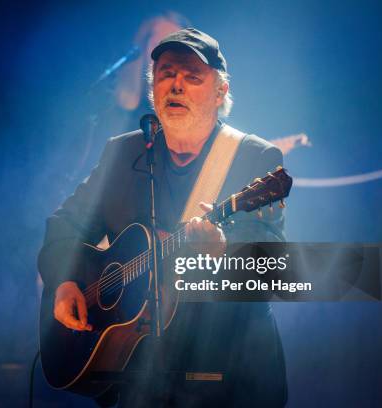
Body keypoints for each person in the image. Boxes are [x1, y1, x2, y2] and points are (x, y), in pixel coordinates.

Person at [38, 28, 287, 407]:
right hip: (138, 378)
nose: (176, 85)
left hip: (225, 377)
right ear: (153, 89)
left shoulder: (253, 158)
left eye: (192, 77)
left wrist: (222, 253)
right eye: (166, 74)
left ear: (220, 93)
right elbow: (65, 224)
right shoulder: (123, 153)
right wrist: (65, 280)